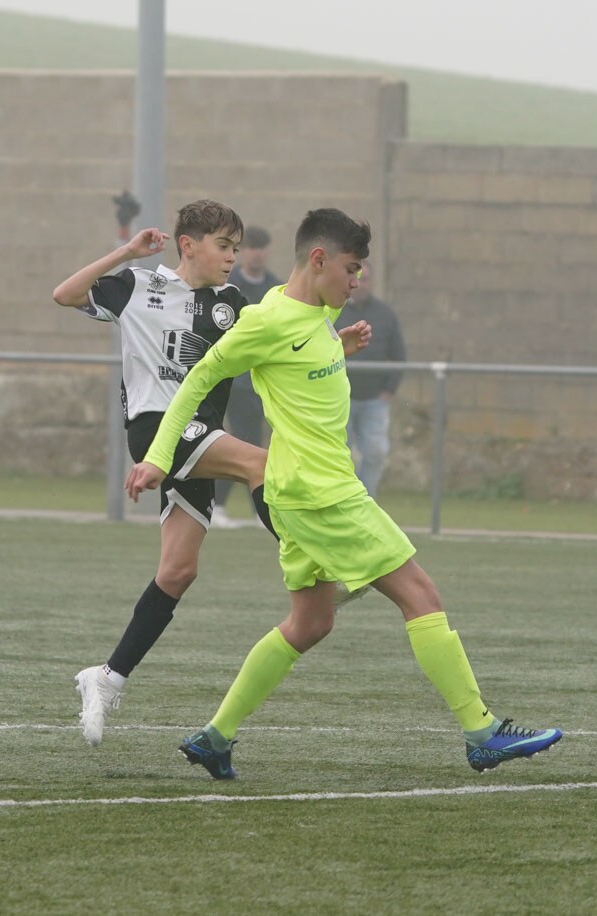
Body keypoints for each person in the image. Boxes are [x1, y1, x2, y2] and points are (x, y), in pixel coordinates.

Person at [125, 208, 562, 779]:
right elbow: (201, 378)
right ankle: (481, 732)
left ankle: (215, 737)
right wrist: (159, 457)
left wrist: (339, 344)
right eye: (351, 269)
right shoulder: (264, 321)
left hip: (305, 489)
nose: (357, 283)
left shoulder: (320, 313)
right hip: (320, 493)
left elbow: (303, 355)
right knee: (421, 595)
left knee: (311, 623)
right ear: (318, 260)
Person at [52, 200, 369, 748]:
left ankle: (106, 678)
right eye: (223, 246)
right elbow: (67, 294)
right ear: (187, 245)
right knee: (262, 463)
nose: (231, 258)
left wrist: (334, 346)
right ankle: (327, 567)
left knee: (178, 571)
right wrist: (127, 250)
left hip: (199, 437)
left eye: (236, 248)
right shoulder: (138, 286)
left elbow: (269, 356)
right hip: (156, 433)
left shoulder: (233, 305)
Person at [214, 225, 283, 526]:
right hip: (237, 379)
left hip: (266, 381)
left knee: (258, 442)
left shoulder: (276, 287)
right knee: (244, 441)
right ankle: (226, 505)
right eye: (251, 247)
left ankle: (256, 507)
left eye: (261, 246)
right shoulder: (229, 286)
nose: (257, 253)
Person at [336, 262, 406, 495]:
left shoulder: (385, 314)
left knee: (376, 452)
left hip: (375, 400)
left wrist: (389, 391)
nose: (360, 283)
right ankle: (345, 500)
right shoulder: (334, 310)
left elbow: (398, 355)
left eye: (366, 279)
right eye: (357, 278)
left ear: (372, 282)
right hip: (339, 400)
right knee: (340, 456)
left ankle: (366, 500)